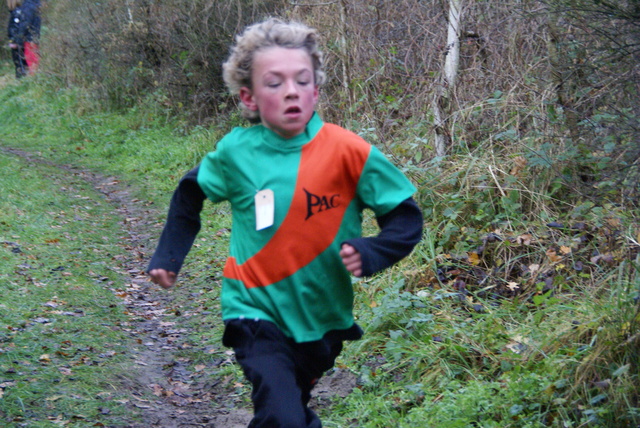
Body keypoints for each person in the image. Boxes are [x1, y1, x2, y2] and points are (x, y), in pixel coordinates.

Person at [147, 18, 423, 428]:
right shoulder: (236, 153)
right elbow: (190, 193)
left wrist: (373, 250)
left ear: (316, 89)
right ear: (250, 97)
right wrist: (169, 255)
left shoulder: (349, 152)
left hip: (322, 319)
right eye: (274, 83)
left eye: (302, 80)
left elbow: (405, 217)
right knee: (282, 412)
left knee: (287, 409)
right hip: (252, 310)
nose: (291, 91)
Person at [7, 0, 41, 78]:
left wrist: (18, 39)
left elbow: (25, 24)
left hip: (29, 39)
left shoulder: (28, 7)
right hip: (32, 38)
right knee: (31, 62)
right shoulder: (34, 5)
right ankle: (32, 80)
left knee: (31, 62)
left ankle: (33, 81)